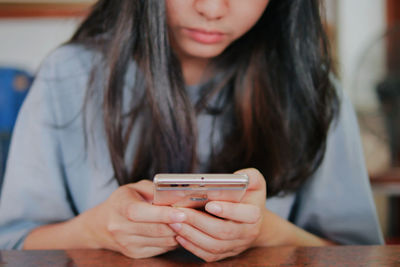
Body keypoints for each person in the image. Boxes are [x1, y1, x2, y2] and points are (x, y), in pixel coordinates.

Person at [0, 0, 383, 262]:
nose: (212, 9)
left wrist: (266, 231)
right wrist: (95, 232)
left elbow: (362, 255)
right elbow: (11, 245)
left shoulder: (314, 91)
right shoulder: (66, 76)